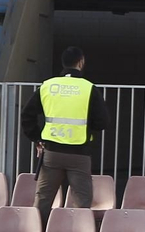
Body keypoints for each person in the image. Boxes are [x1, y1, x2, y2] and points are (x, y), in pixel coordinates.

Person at [21, 46, 110, 224]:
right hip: (79, 155)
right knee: (82, 202)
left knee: (43, 201)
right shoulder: (89, 88)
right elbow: (103, 121)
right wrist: (88, 131)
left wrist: (37, 138)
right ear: (81, 62)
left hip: (51, 154)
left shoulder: (48, 86)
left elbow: (27, 115)